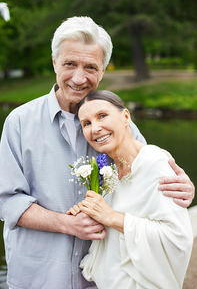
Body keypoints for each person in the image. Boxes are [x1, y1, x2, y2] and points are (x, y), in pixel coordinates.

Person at [0, 17, 194, 289]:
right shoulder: (19, 123)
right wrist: (67, 224)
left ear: (102, 71)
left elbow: (146, 179)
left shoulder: (121, 126)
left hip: (102, 280)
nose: (79, 78)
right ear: (54, 62)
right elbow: (7, 202)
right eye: (70, 64)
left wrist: (182, 188)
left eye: (90, 67)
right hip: (39, 277)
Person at [67, 89, 193, 289]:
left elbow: (177, 237)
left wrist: (111, 217)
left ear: (126, 116)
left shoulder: (154, 162)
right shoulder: (109, 173)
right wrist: (89, 212)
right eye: (86, 123)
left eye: (102, 116)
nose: (95, 128)